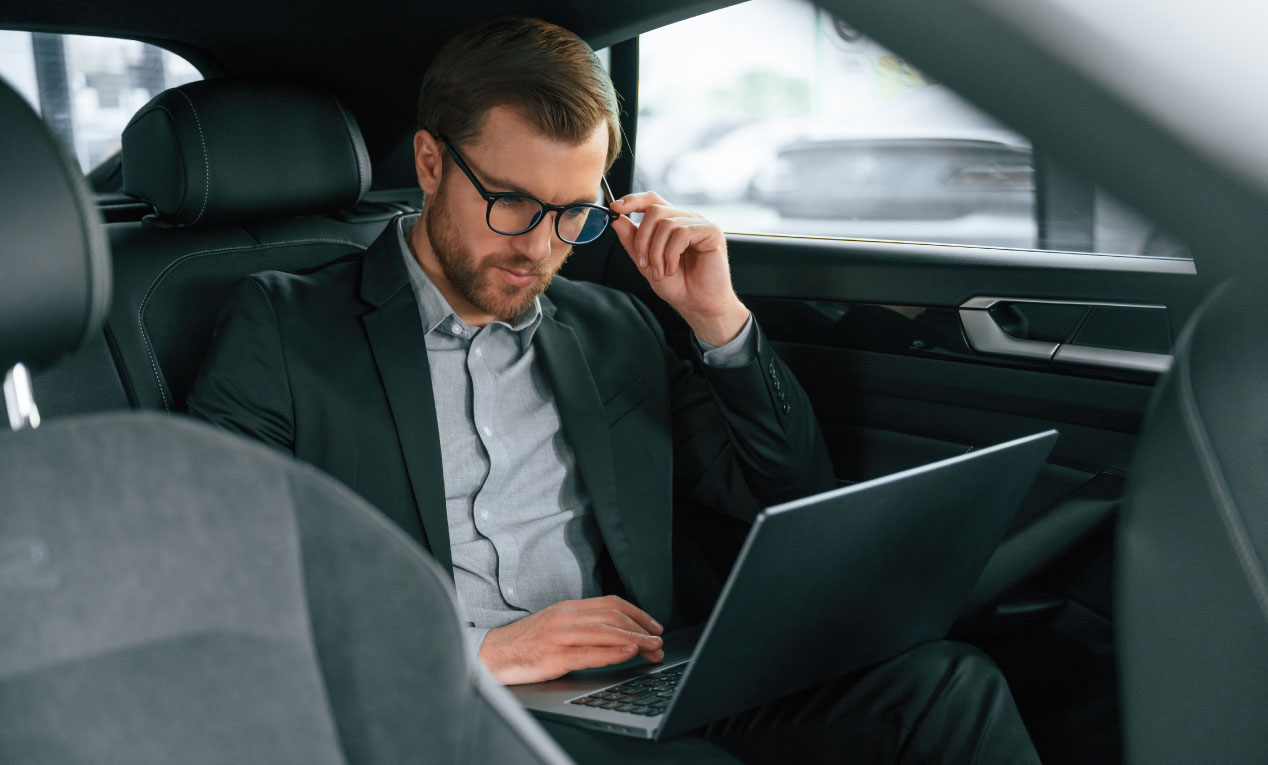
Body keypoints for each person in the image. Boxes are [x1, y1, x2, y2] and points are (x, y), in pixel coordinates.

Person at [187, 16, 1039, 764]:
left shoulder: (611, 328)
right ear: (430, 162)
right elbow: (219, 585)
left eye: (575, 213)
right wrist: (476, 649)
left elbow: (786, 497)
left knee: (945, 684)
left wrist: (718, 321)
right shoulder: (286, 328)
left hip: (638, 681)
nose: (541, 248)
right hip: (452, 703)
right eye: (514, 202)